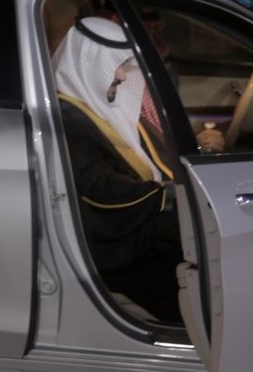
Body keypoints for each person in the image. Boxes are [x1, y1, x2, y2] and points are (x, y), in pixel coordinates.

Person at [53, 16, 183, 322]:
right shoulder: (67, 119)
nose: (123, 76)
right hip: (113, 243)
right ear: (88, 63)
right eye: (117, 65)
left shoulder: (100, 108)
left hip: (135, 221)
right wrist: (164, 196)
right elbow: (98, 190)